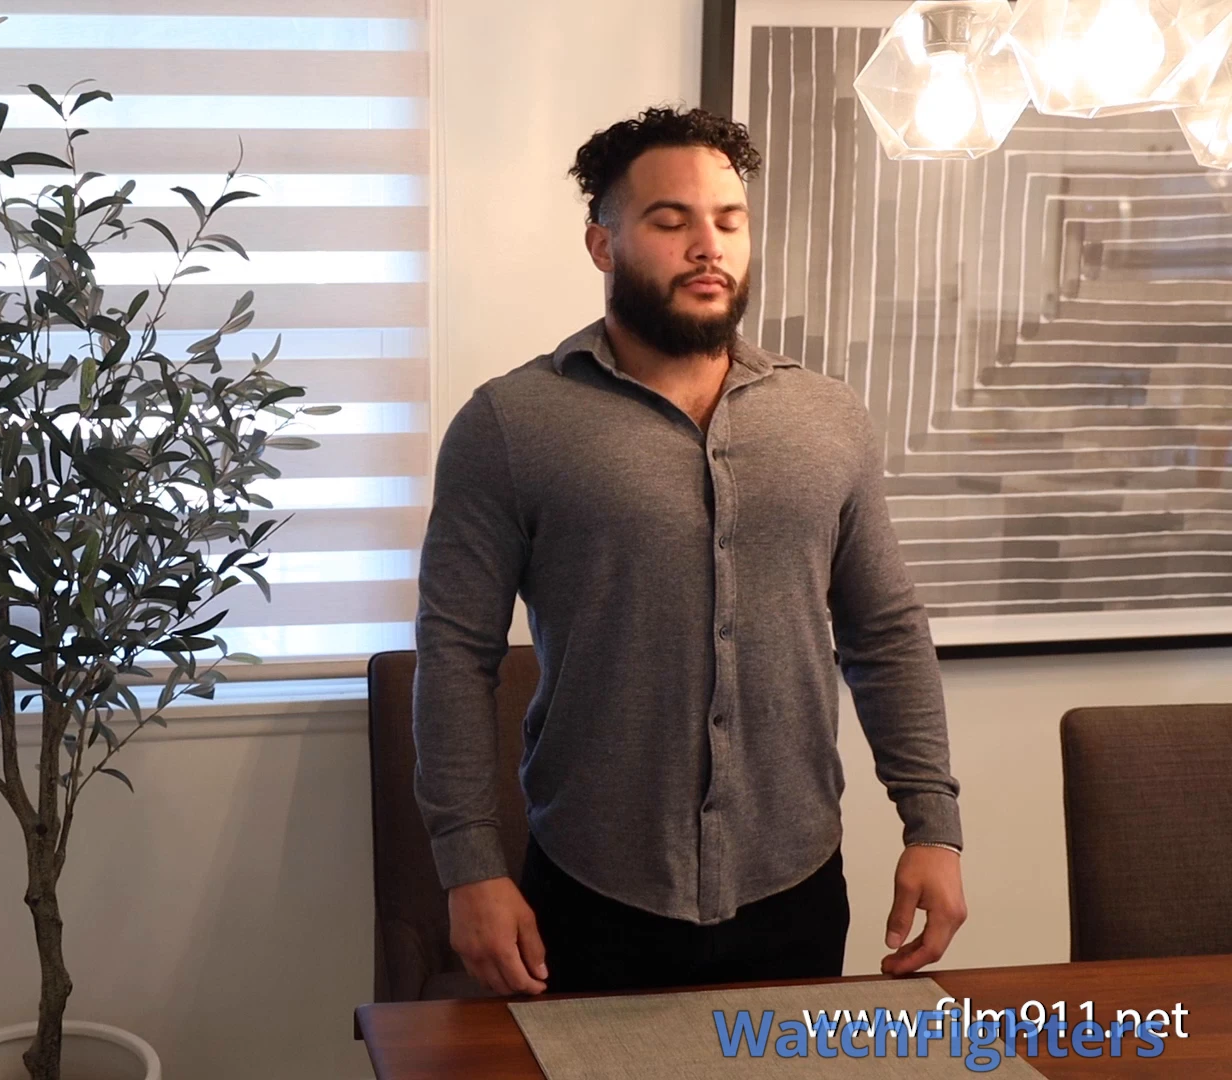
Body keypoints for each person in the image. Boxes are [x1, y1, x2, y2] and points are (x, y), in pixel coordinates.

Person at [411, 106, 966, 998]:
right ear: (603, 245)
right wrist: (469, 866)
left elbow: (885, 630)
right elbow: (454, 656)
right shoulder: (510, 426)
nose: (708, 246)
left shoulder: (827, 417)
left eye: (729, 221)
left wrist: (931, 824)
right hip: (592, 890)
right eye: (672, 222)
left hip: (795, 884)